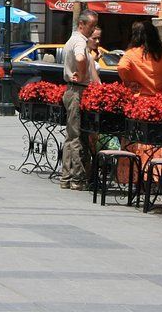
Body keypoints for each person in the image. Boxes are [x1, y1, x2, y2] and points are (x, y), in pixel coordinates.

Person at [59, 10, 99, 191]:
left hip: (71, 90)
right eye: (91, 26)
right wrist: (82, 74)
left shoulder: (72, 39)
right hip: (77, 91)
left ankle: (66, 176)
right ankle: (77, 178)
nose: (93, 30)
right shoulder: (80, 41)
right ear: (81, 24)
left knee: (70, 135)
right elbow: (80, 58)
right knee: (76, 136)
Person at [117, 21, 162, 96]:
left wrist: (129, 82)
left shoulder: (131, 53)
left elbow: (121, 67)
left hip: (139, 100)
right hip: (161, 99)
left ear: (135, 36)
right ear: (155, 35)